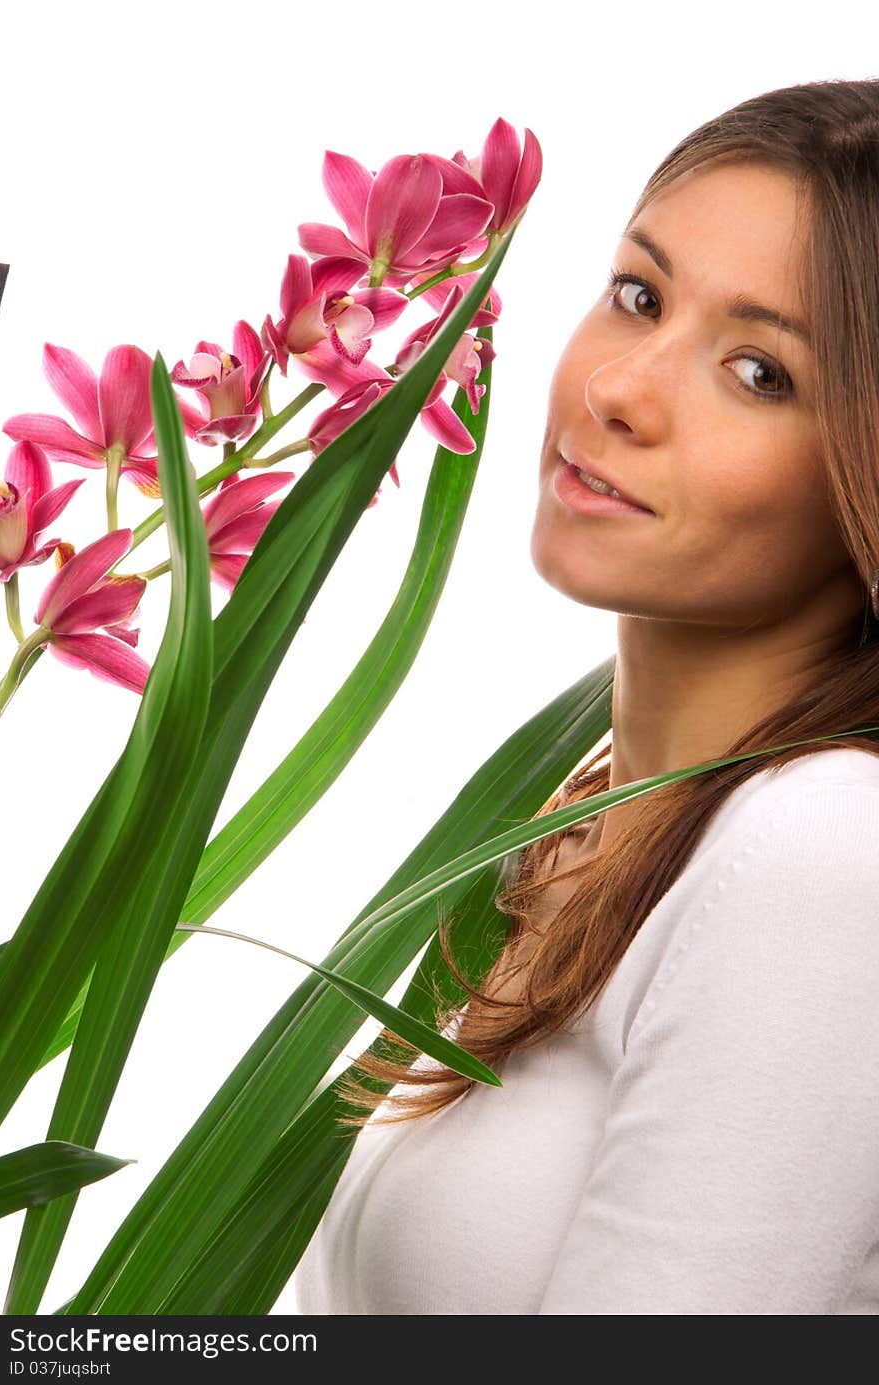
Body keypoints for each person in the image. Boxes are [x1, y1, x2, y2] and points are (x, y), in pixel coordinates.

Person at [294, 77, 879, 1315]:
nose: (620, 390)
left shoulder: (822, 844)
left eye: (759, 371)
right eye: (639, 294)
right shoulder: (590, 814)